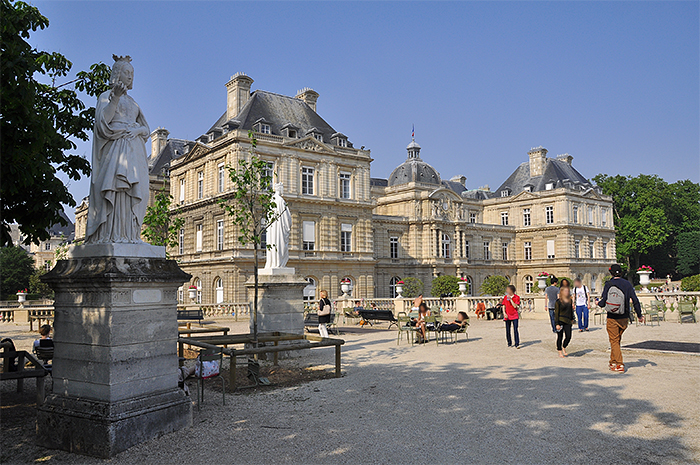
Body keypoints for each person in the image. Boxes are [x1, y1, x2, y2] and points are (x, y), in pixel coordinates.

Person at [86, 55, 150, 243]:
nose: (130, 77)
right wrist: (115, 99)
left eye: (132, 73)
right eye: (126, 72)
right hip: (115, 149)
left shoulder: (134, 103)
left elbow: (146, 128)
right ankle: (111, 234)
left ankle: (130, 234)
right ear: (117, 74)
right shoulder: (106, 96)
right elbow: (102, 124)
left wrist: (138, 130)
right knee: (116, 188)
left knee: (135, 191)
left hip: (134, 149)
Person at [597, 264, 643, 373]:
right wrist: (639, 315)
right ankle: (612, 361)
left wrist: (599, 303)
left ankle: (619, 364)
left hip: (612, 317)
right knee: (616, 340)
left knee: (614, 341)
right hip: (624, 317)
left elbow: (603, 302)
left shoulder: (608, 284)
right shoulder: (627, 284)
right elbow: (635, 301)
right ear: (621, 273)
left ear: (610, 272)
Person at [554, 287, 575, 357]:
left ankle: (564, 346)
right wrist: (557, 323)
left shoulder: (570, 300)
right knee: (560, 336)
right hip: (560, 320)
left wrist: (572, 318)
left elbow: (571, 310)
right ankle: (559, 350)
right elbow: (556, 313)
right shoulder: (558, 302)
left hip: (568, 320)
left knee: (568, 336)